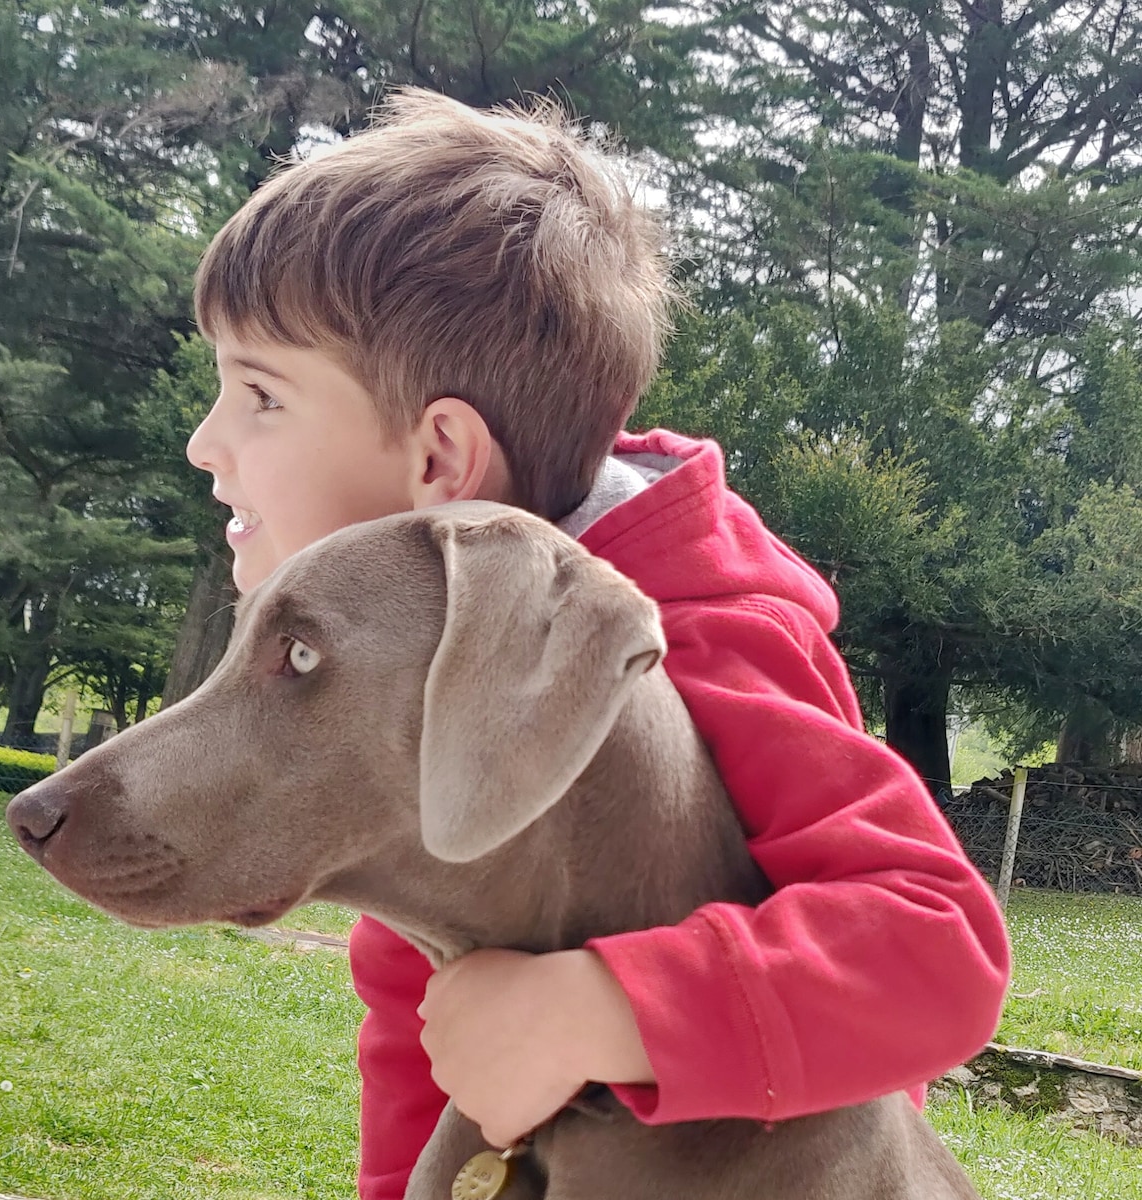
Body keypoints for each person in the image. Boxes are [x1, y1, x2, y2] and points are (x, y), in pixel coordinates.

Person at [184, 88, 1011, 1200]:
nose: (206, 442)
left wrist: (600, 1008)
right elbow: (421, 1033)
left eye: (260, 395)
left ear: (440, 458)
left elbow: (938, 950)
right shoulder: (419, 688)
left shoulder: (705, 642)